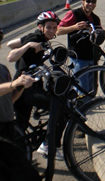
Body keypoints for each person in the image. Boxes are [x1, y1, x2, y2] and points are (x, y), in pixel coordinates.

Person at [7, 11, 65, 160]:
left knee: (21, 126)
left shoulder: (41, 38)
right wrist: (27, 45)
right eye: (49, 27)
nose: (52, 30)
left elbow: (9, 43)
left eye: (54, 27)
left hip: (28, 86)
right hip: (25, 87)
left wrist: (27, 43)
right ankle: (47, 145)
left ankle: (14, 156)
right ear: (41, 27)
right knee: (59, 109)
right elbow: (11, 56)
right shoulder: (35, 38)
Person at [57, 0, 104, 94]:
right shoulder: (74, 14)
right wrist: (74, 27)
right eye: (88, 1)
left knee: (92, 89)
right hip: (79, 58)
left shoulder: (96, 19)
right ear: (82, 1)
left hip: (92, 57)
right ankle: (81, 108)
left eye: (93, 1)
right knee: (82, 89)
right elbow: (58, 30)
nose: (90, 4)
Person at [0, 29, 35, 140]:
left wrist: (21, 86)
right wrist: (13, 84)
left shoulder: (3, 69)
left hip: (7, 124)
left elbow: (11, 100)